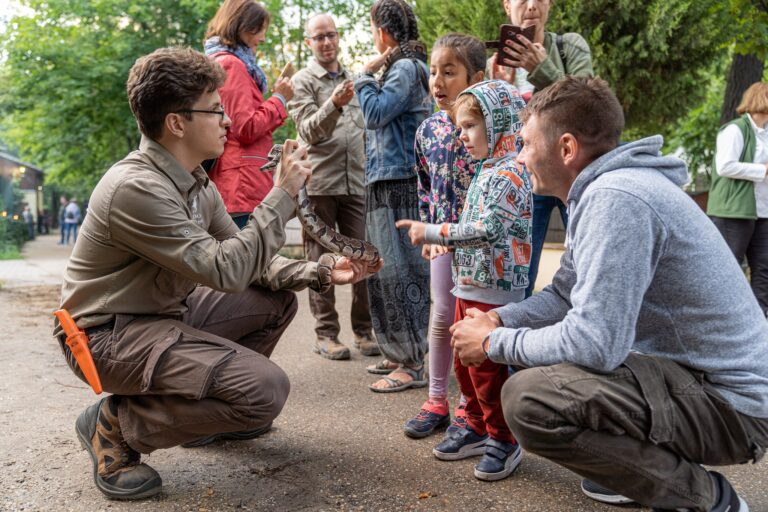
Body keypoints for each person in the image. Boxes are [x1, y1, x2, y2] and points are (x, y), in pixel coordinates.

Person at [55, 47, 380, 501]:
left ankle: (207, 413)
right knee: (265, 391)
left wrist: (320, 269)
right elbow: (226, 270)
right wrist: (282, 192)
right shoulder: (136, 188)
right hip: (106, 337)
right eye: (215, 109)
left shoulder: (193, 181)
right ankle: (116, 427)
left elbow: (249, 261)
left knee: (273, 300)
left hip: (159, 317)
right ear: (177, 123)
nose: (228, 121)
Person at [450, 76, 768, 511]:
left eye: (525, 144)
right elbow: (563, 295)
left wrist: (492, 343)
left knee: (528, 399)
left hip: (735, 409)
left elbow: (595, 344)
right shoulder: (598, 193)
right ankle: (643, 473)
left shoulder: (617, 199)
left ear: (566, 149)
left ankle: (707, 499)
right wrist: (502, 319)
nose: (519, 157)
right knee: (550, 369)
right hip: (696, 382)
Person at [398, 80, 530, 481]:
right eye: (459, 127)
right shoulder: (486, 171)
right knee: (464, 362)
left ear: (499, 124)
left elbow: (488, 229)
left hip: (494, 291)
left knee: (487, 368)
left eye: (470, 126)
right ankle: (474, 424)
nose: (462, 136)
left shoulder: (511, 174)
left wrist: (435, 233)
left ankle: (504, 439)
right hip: (468, 284)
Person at [401, 33, 485, 438]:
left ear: (477, 77)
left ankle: (473, 408)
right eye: (433, 72)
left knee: (472, 321)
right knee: (440, 316)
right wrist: (429, 228)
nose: (437, 81)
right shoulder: (427, 131)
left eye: (449, 72)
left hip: (480, 243)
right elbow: (424, 185)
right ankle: (437, 400)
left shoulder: (492, 130)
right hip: (441, 239)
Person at [288, 13, 377, 360]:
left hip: (356, 182)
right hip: (319, 184)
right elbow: (308, 130)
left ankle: (364, 331)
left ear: (338, 39)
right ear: (310, 43)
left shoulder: (355, 80)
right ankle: (326, 334)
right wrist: (333, 104)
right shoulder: (302, 81)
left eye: (331, 35)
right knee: (321, 261)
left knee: (363, 258)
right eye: (319, 37)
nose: (326, 42)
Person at [355, 0, 433, 392]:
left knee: (403, 271)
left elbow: (374, 113)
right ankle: (399, 351)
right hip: (386, 180)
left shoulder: (404, 68)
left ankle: (412, 362)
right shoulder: (403, 67)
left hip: (399, 182)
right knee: (386, 268)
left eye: (374, 31)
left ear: (383, 34)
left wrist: (363, 75)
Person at [491, 0, 593, 296]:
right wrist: (501, 92)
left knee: (588, 263)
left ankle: (589, 331)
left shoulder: (568, 46)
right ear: (506, 6)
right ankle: (519, 338)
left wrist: (542, 69)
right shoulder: (494, 64)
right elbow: (491, 135)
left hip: (570, 174)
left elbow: (588, 106)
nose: (532, 5)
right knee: (520, 273)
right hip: (522, 179)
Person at [203, 0, 294, 229]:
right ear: (240, 26)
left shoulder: (225, 62)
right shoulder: (232, 66)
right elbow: (245, 127)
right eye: (258, 29)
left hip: (240, 183)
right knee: (250, 259)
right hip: (241, 185)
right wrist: (280, 99)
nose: (262, 38)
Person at [708, 81, 768, 318]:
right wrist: (762, 170)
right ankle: (721, 317)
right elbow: (725, 166)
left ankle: (759, 318)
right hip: (733, 211)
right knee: (729, 267)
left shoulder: (765, 133)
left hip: (762, 211)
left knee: (763, 267)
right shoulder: (735, 130)